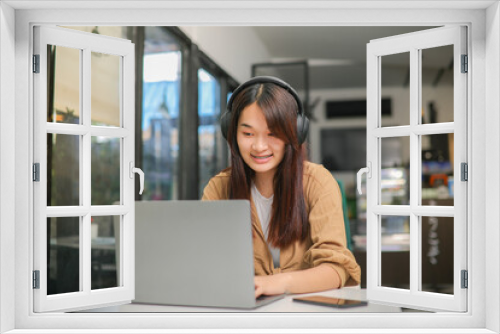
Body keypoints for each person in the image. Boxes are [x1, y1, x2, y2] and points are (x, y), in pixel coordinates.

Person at [202, 76, 361, 298]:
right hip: (246, 313)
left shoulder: (318, 182)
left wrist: (275, 283)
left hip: (306, 313)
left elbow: (336, 269)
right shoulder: (218, 188)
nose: (258, 146)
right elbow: (204, 262)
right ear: (232, 133)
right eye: (247, 133)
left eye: (272, 134)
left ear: (294, 133)